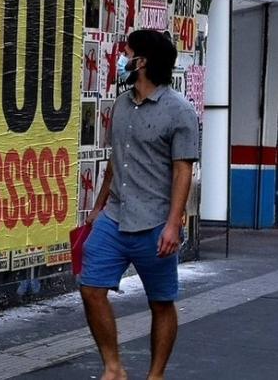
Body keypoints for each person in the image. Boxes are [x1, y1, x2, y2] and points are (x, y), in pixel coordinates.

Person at [80, 30, 199, 380]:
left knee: (160, 302)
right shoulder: (121, 104)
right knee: (90, 289)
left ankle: (155, 375)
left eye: (126, 53)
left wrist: (174, 223)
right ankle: (113, 367)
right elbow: (115, 163)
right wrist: (98, 206)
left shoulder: (179, 111)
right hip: (115, 216)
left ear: (141, 62)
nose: (121, 59)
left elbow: (183, 171)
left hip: (154, 222)